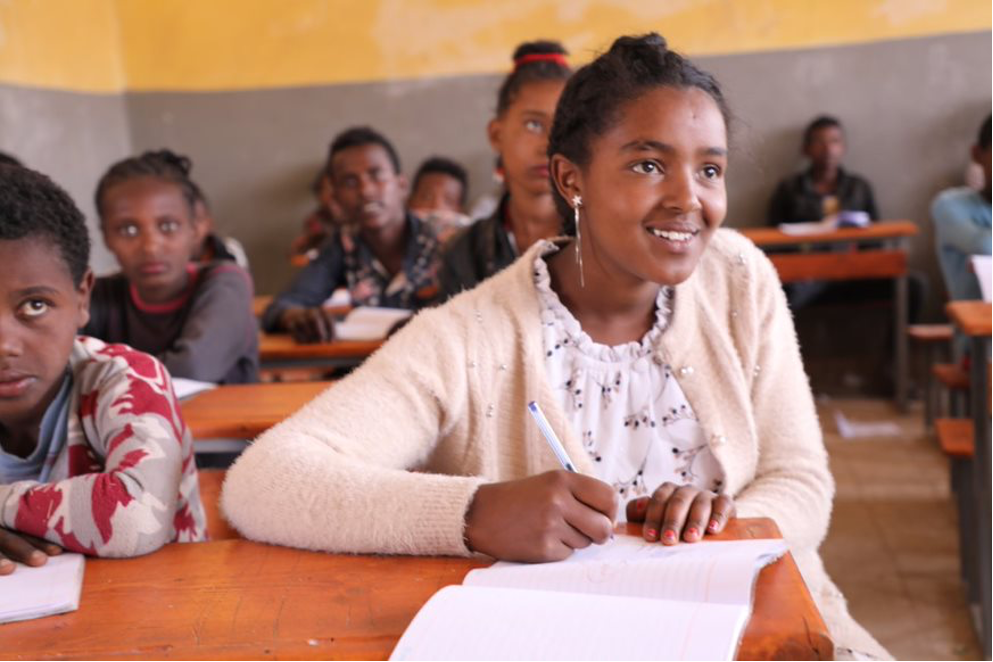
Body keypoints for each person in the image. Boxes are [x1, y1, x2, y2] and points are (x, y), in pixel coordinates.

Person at [223, 33, 889, 659]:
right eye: (648, 164)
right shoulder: (469, 338)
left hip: (757, 632)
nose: (689, 199)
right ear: (570, 180)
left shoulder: (738, 279)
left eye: (709, 169)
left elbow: (801, 481)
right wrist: (473, 512)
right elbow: (266, 481)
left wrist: (724, 521)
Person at [0, 164, 206, 574]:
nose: (5, 345)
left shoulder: (128, 378)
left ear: (81, 298)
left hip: (170, 610)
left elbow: (133, 518)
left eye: (35, 305)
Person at [84, 150, 259, 384]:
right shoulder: (100, 295)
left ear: (195, 229)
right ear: (106, 237)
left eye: (168, 226)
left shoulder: (226, 282)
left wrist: (98, 378)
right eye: (128, 230)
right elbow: (59, 371)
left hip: (231, 421)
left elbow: (192, 369)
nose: (150, 247)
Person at [261, 127, 441, 343]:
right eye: (349, 182)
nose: (365, 190)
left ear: (401, 185)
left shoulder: (447, 239)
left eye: (376, 175)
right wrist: (299, 317)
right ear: (335, 198)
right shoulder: (343, 245)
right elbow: (282, 306)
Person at [439, 40, 571, 298]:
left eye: (564, 127)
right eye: (533, 125)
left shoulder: (600, 244)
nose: (548, 145)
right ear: (496, 134)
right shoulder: (465, 252)